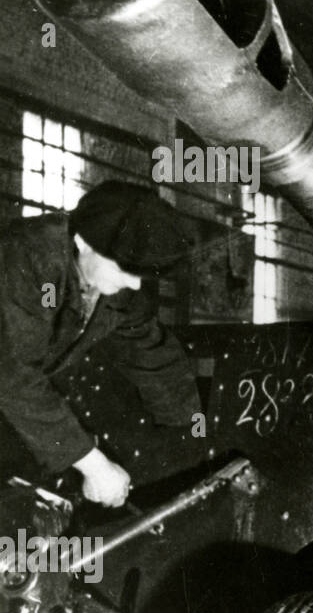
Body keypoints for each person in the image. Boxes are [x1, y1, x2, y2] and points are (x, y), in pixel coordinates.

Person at [0, 181, 201, 508]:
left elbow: (149, 349)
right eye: (125, 269)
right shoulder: (29, 255)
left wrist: (193, 430)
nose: (135, 283)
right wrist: (94, 465)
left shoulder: (116, 282)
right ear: (82, 241)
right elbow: (13, 375)